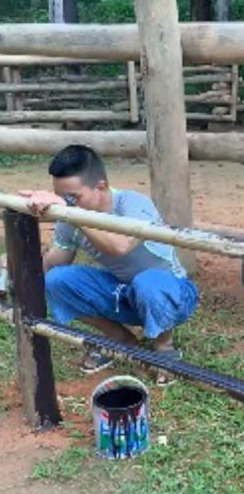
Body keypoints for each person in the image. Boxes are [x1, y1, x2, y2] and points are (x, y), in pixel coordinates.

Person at [20, 144, 199, 379]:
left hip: (173, 293)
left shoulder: (133, 204)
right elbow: (53, 263)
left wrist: (71, 212)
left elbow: (120, 246)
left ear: (101, 187)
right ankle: (120, 338)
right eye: (60, 196)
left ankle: (163, 347)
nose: (64, 202)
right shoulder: (69, 219)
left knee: (149, 282)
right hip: (123, 293)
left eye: (73, 197)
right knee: (56, 280)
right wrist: (15, 269)